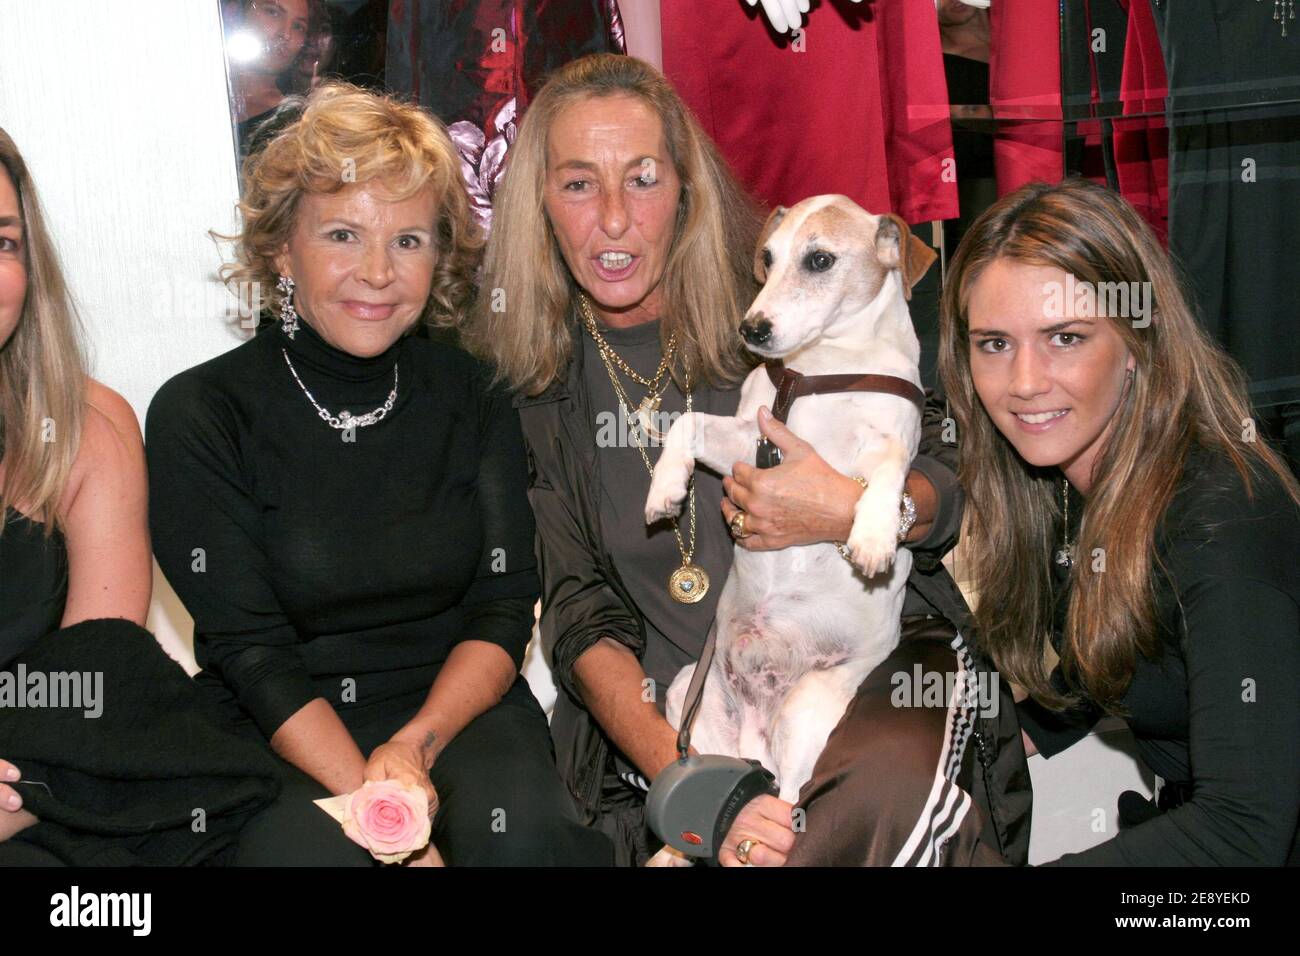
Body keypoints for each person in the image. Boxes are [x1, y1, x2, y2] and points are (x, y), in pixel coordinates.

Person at [464, 53, 1031, 866]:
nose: (615, 218)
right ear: (539, 204)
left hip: (862, 677)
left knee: (850, 810)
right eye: (580, 183)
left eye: (645, 179)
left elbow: (944, 461)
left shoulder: (782, 301)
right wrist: (693, 779)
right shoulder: (531, 391)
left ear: (687, 191)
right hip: (677, 714)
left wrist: (852, 508)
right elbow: (579, 613)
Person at [146, 82, 613, 866]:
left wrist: (411, 753)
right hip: (281, 725)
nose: (377, 272)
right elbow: (249, 652)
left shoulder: (475, 393)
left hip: (453, 713)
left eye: (408, 241)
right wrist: (381, 813)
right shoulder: (203, 412)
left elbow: (503, 608)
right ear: (279, 250)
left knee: (524, 845)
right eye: (341, 235)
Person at [938, 178, 1300, 865]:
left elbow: (1244, 831)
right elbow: (1108, 661)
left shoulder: (1221, 522)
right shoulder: (1067, 486)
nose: (1023, 381)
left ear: (1137, 340)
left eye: (1065, 338)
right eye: (993, 343)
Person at [0, 128, 286, 867]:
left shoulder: (87, 426)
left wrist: (20, 790)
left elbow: (98, 679)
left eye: (1, 243)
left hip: (59, 778)